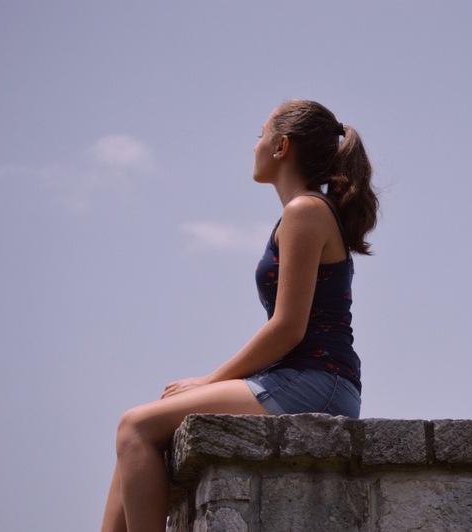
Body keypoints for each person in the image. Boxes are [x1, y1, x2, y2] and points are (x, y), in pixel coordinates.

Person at [101, 99, 378, 532]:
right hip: (304, 380)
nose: (254, 146)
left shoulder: (306, 211)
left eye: (260, 135)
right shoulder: (303, 212)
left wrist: (210, 381)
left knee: (134, 426)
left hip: (316, 382)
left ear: (281, 146)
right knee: (136, 437)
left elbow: (288, 328)